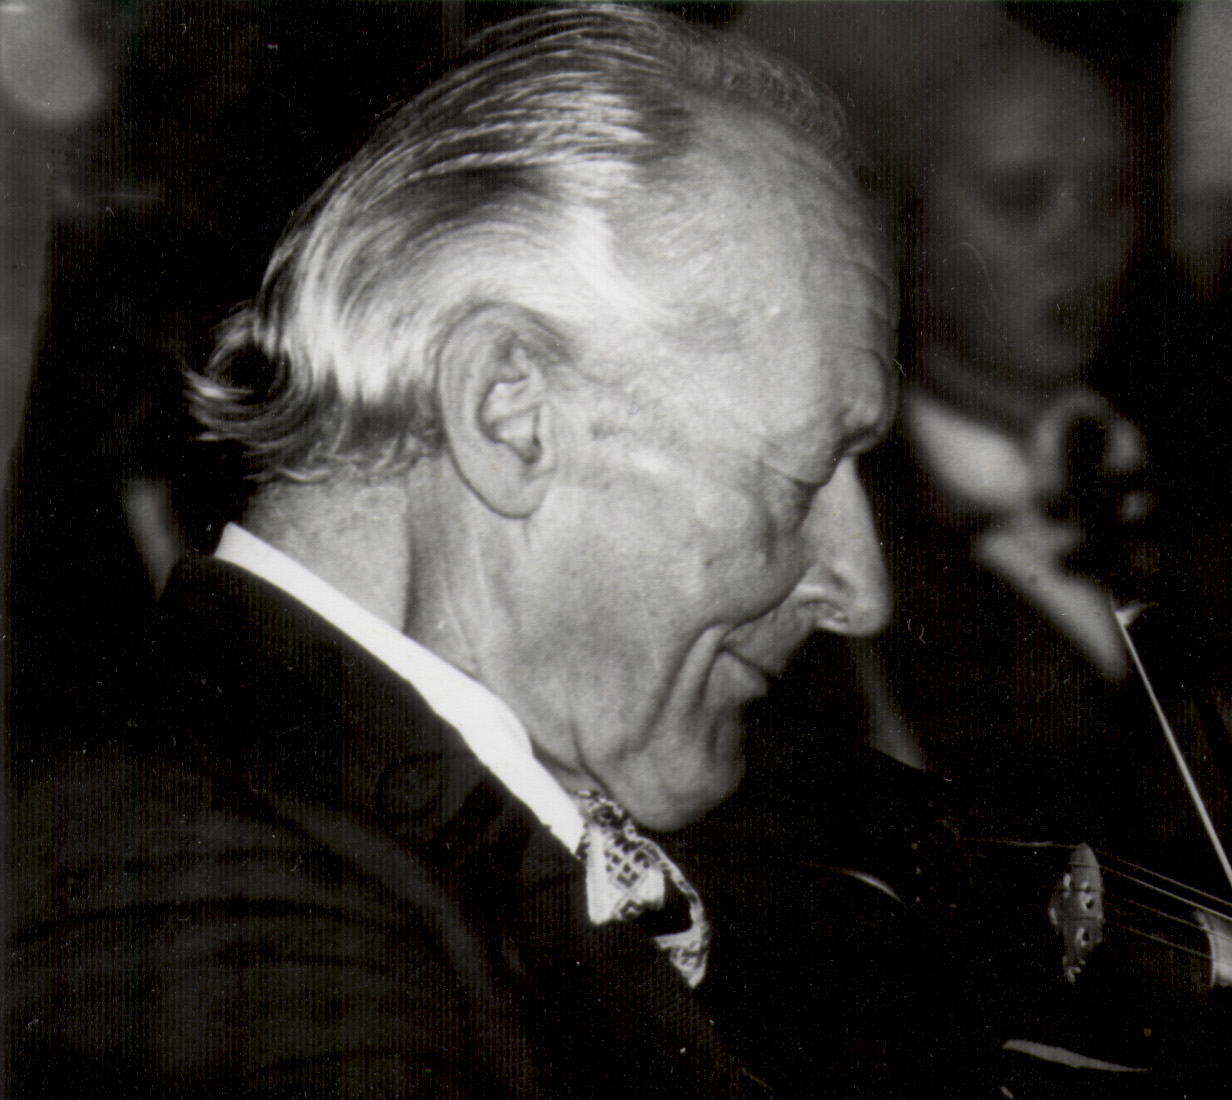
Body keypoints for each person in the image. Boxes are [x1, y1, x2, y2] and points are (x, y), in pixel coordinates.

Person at [8, 7, 894, 1098]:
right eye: (803, 478)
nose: (862, 590)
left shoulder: (387, 837)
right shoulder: (191, 890)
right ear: (509, 412)